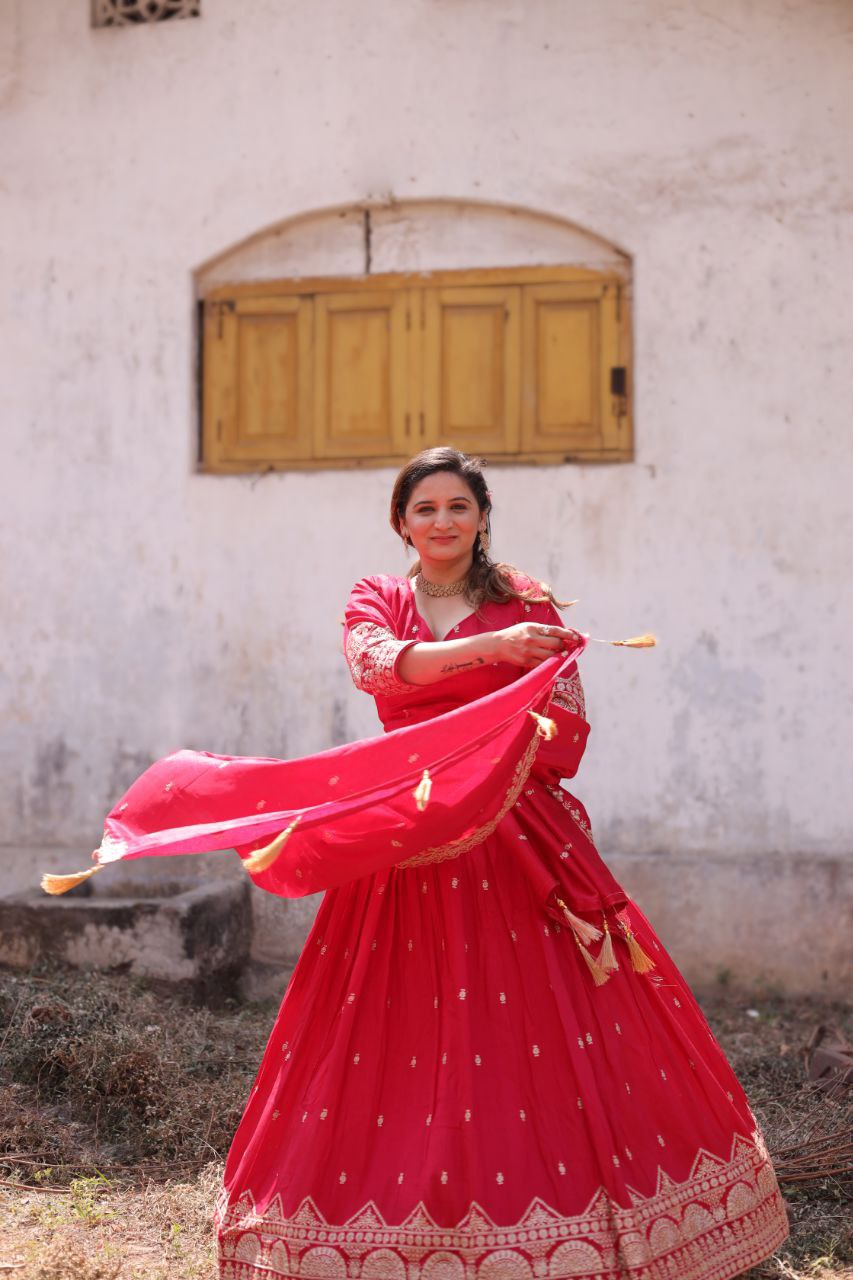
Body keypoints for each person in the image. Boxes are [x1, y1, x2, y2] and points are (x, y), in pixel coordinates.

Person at [41, 446, 790, 1278]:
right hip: (402, 832)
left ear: (482, 517)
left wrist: (505, 704)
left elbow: (564, 724)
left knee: (534, 1018)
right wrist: (496, 650)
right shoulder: (380, 599)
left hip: (512, 832)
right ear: (400, 522)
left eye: (457, 507)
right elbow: (377, 664)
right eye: (424, 508)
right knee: (388, 1020)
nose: (441, 522)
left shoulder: (524, 600)